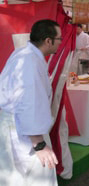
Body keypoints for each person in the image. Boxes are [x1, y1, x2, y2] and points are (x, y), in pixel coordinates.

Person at [0, 20, 61, 186]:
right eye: (59, 39)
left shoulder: (23, 53)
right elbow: (29, 102)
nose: (60, 43)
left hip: (17, 124)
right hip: (23, 128)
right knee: (34, 177)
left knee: (14, 177)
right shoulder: (30, 61)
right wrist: (39, 144)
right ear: (48, 41)